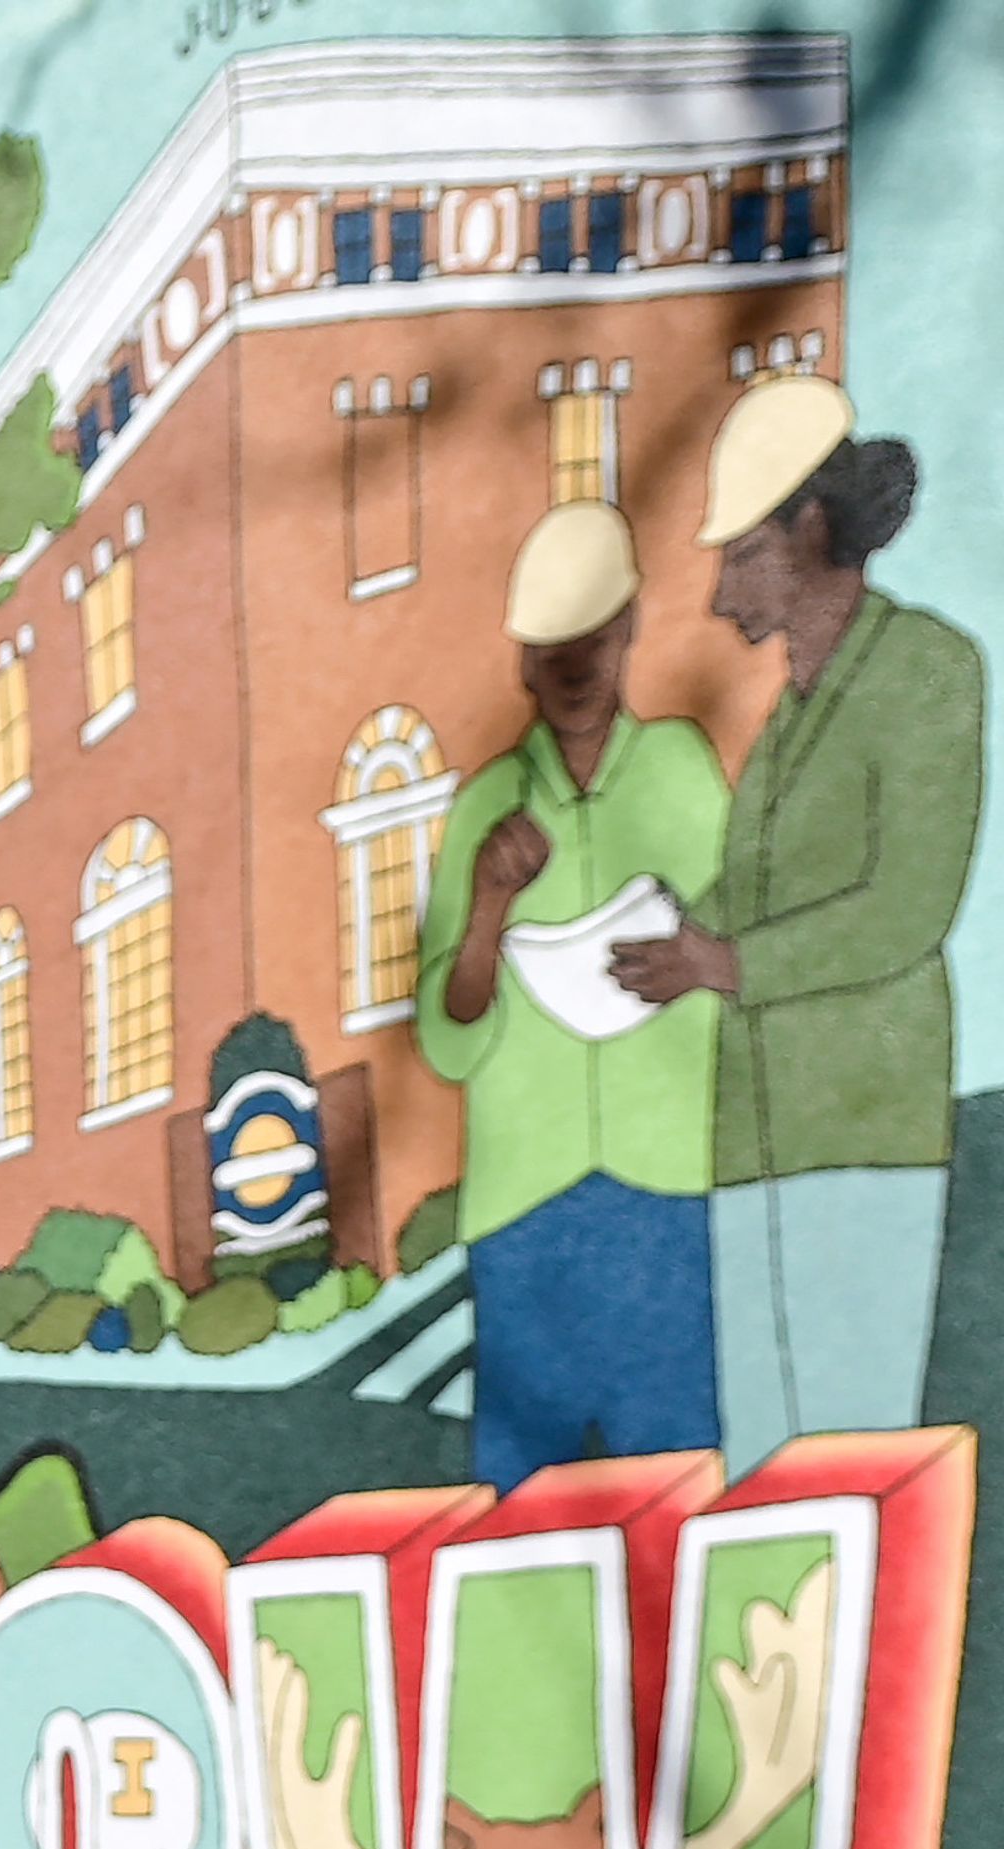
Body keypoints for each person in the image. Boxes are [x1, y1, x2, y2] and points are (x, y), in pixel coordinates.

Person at [611, 373, 984, 1465]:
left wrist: (718, 958)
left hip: (861, 1128)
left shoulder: (926, 668)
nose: (727, 593)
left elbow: (907, 906)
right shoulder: (788, 715)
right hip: (751, 1137)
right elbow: (759, 894)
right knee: (762, 1453)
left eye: (747, 554)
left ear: (814, 529)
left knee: (854, 1445)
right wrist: (657, 934)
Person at [412, 500, 732, 1489]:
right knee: (523, 1495)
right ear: (523, 662)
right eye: (552, 645)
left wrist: (701, 961)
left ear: (631, 624)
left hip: (665, 1183)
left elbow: (740, 950)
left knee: (676, 1469)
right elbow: (447, 1038)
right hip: (526, 1200)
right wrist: (487, 910)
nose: (576, 663)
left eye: (594, 634)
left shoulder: (682, 768)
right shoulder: (486, 807)